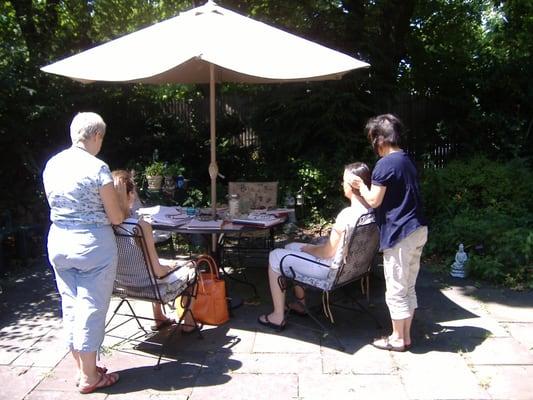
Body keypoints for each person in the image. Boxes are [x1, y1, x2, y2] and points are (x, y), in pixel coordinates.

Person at [43, 112, 127, 394]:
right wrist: (118, 197)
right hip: (92, 245)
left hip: (58, 240)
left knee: (70, 304)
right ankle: (91, 377)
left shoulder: (52, 164)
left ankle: (83, 368)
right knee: (91, 306)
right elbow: (115, 217)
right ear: (96, 136)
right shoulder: (98, 168)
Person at [258, 162, 373, 330]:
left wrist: (308, 249)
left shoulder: (347, 215)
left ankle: (277, 316)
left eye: (343, 181)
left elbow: (326, 252)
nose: (342, 185)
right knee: (290, 247)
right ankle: (300, 304)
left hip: (329, 270)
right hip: (352, 269)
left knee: (275, 255)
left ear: (351, 185)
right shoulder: (371, 212)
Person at [351, 114, 428, 352]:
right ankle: (404, 337)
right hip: (418, 229)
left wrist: (360, 186)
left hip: (401, 233)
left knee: (395, 287)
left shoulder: (385, 164)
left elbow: (374, 200)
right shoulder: (406, 159)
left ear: (379, 139)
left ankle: (397, 338)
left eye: (373, 139)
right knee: (408, 285)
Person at [111, 170, 199, 333]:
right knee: (192, 266)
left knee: (159, 265)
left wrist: (165, 266)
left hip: (119, 286)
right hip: (150, 288)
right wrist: (171, 268)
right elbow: (158, 272)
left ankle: (159, 318)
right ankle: (189, 323)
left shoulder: (104, 227)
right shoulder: (139, 226)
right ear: (130, 195)